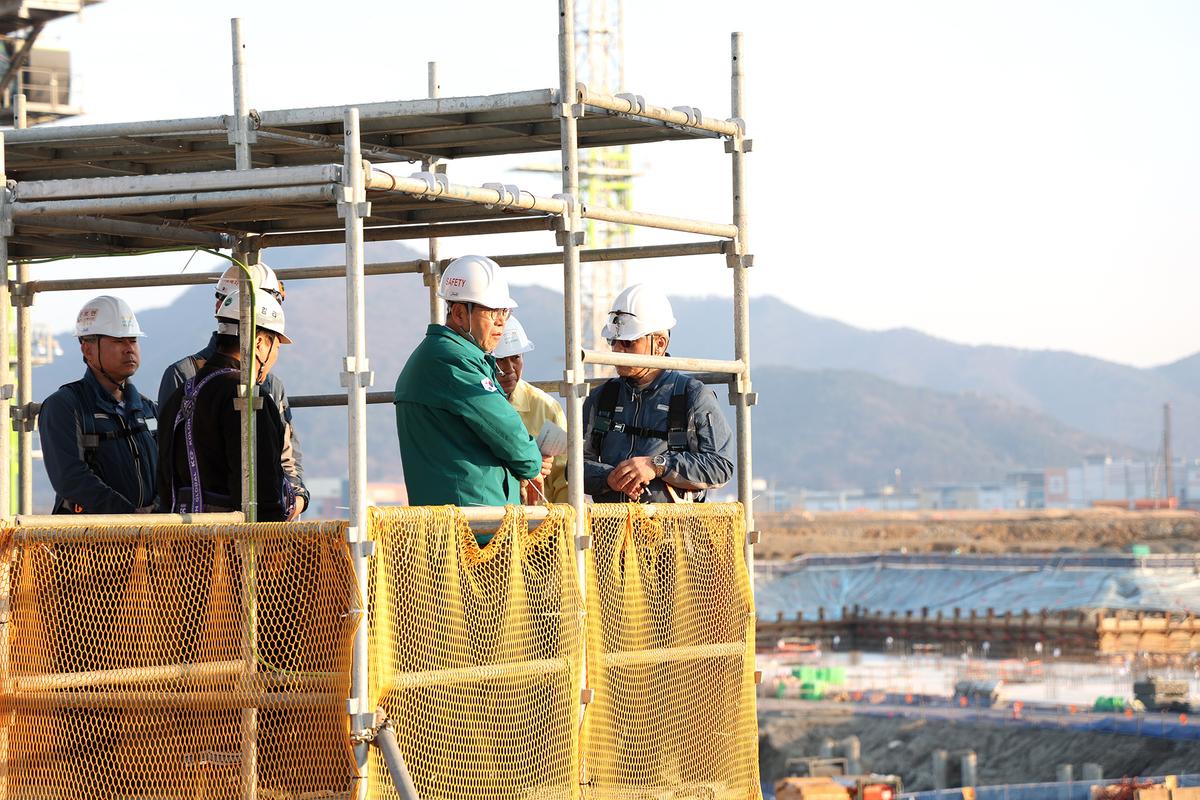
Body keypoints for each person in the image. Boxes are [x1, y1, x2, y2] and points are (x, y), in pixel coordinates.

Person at [393, 255, 551, 520]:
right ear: (458, 313)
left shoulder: (447, 355)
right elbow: (503, 428)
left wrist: (527, 459)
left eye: (505, 311)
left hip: (468, 515)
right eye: (492, 311)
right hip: (470, 519)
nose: (502, 321)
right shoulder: (451, 360)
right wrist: (532, 461)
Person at [158, 262, 308, 518]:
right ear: (260, 342)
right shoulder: (250, 399)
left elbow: (164, 480)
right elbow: (263, 494)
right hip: (233, 546)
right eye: (276, 347)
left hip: (182, 543)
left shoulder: (180, 394)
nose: (274, 357)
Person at [582, 283, 734, 503]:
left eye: (628, 342)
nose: (617, 350)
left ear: (659, 344)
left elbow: (720, 466)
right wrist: (609, 478)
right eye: (612, 341)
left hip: (673, 533)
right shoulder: (602, 398)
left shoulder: (691, 397)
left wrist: (658, 465)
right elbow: (575, 467)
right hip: (611, 533)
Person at [39, 296, 158, 514]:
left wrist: (157, 513)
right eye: (118, 341)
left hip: (150, 540)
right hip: (88, 543)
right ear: (88, 350)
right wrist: (129, 517)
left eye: (132, 340)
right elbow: (71, 478)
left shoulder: (148, 408)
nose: (129, 348)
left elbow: (170, 470)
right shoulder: (64, 406)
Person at [493, 315, 568, 504]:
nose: (509, 368)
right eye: (500, 360)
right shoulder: (472, 405)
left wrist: (564, 527)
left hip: (541, 523)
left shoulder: (546, 408)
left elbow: (564, 480)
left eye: (516, 358)